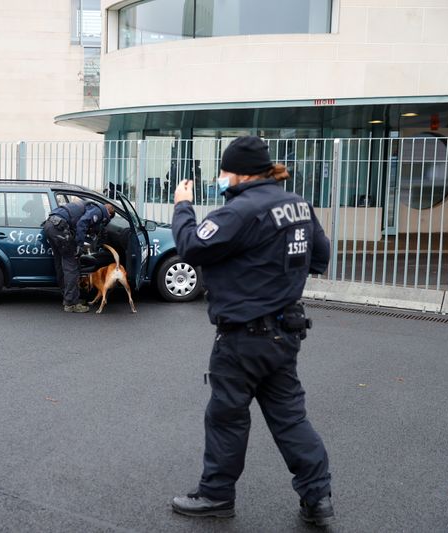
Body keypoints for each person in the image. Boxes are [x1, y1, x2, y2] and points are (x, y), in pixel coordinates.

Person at [169, 136, 334, 526]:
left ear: (241, 171)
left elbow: (192, 247)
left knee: (227, 417)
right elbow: (320, 256)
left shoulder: (239, 211)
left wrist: (182, 206)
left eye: (224, 170)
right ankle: (318, 498)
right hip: (285, 333)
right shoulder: (297, 204)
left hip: (242, 338)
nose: (221, 177)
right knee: (290, 419)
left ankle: (215, 496)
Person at [42, 199, 115, 313]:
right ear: (109, 214)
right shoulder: (100, 211)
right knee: (72, 266)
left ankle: (68, 297)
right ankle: (71, 303)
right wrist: (79, 246)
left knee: (61, 263)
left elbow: (79, 223)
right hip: (60, 228)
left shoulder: (90, 205)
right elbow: (82, 223)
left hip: (51, 225)